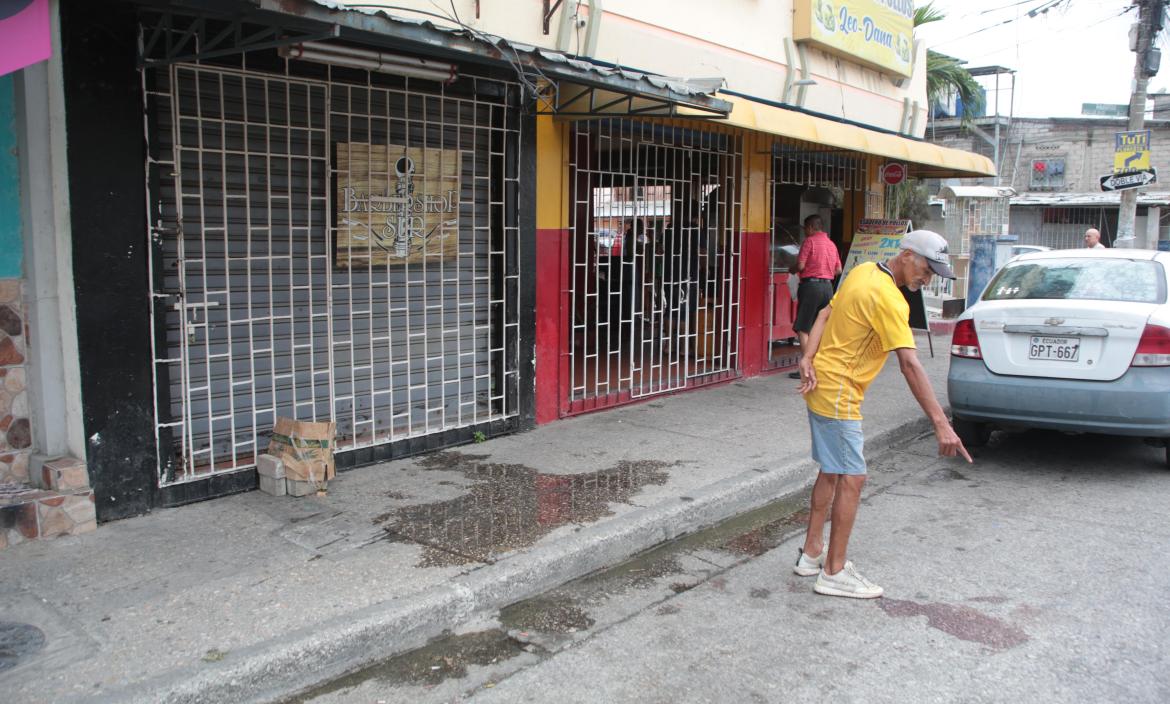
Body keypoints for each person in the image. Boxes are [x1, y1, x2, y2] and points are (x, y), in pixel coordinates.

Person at [792, 229, 973, 599]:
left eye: (934, 273)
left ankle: (812, 553)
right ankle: (834, 571)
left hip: (823, 384)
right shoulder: (890, 299)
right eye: (927, 268)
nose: (928, 279)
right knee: (853, 478)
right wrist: (942, 424)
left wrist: (808, 356)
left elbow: (826, 312)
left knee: (832, 468)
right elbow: (910, 364)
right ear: (907, 255)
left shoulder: (862, 271)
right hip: (839, 393)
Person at [787, 215, 842, 379]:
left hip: (811, 287)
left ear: (810, 227)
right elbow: (838, 270)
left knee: (803, 328)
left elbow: (801, 265)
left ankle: (806, 368)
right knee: (821, 328)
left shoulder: (809, 242)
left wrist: (792, 269)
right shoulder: (831, 245)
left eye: (805, 229)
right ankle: (820, 367)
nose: (805, 232)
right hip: (827, 288)